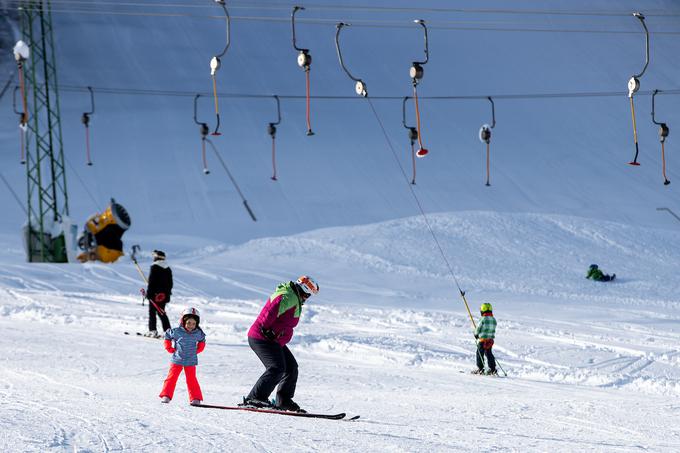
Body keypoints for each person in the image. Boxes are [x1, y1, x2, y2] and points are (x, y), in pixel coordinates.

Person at [241, 275, 319, 412]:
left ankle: (283, 401)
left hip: (273, 339)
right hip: (262, 337)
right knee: (276, 367)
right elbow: (272, 309)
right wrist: (265, 328)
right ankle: (255, 398)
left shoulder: (293, 297)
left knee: (291, 367)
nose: (307, 298)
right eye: (308, 295)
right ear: (304, 290)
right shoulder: (288, 296)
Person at [159, 307, 206, 405]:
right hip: (177, 359)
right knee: (171, 378)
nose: (191, 326)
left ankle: (195, 398)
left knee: (191, 379)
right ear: (183, 321)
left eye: (194, 324)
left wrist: (199, 349)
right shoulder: (177, 331)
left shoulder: (198, 333)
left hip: (191, 361)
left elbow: (202, 340)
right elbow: (167, 336)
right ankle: (166, 395)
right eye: (189, 323)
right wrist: (168, 347)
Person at [143, 250, 173, 337]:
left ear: (157, 257)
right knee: (161, 312)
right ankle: (168, 331)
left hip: (154, 295)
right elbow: (170, 284)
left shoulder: (155, 267)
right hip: (163, 295)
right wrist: (167, 294)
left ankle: (152, 330)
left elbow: (152, 282)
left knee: (152, 312)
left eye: (154, 256)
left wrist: (149, 293)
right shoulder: (168, 268)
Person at [473, 302, 497, 376]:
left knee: (479, 353)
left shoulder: (482, 319)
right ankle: (493, 368)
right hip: (490, 341)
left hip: (483, 340)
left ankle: (480, 368)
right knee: (489, 353)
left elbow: (478, 328)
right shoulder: (493, 319)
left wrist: (476, 334)